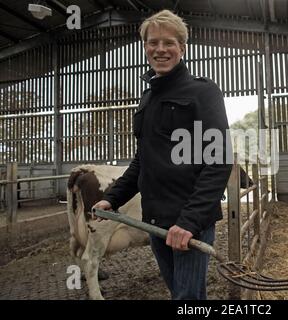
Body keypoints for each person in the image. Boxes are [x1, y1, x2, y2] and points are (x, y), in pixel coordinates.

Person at [92, 10, 232, 300]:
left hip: (189, 223)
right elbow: (143, 159)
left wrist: (190, 222)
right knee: (180, 296)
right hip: (155, 222)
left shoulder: (202, 93)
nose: (160, 49)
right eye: (152, 42)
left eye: (169, 43)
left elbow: (218, 160)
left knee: (187, 300)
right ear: (144, 48)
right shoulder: (147, 98)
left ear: (182, 48)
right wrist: (112, 197)